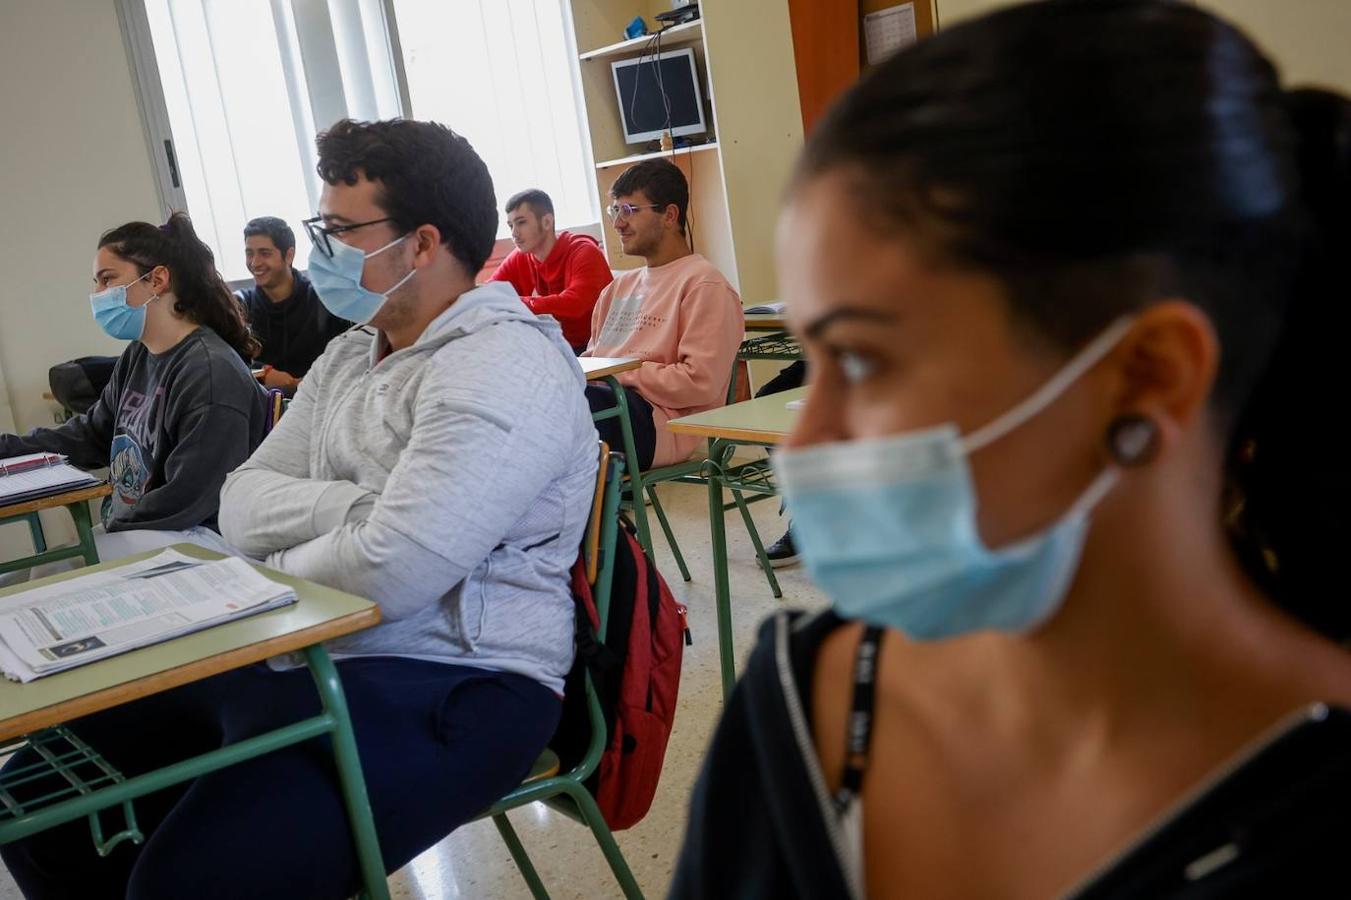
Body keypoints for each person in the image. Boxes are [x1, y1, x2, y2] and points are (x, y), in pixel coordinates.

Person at [671, 1, 1351, 897]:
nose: (805, 438)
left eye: (864, 359)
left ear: (1146, 375)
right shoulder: (794, 714)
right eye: (813, 358)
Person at [0, 119, 598, 899]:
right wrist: (361, 509)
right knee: (35, 806)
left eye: (339, 231)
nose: (321, 250)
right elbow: (241, 502)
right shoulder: (352, 352)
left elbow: (393, 569)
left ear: (421, 243)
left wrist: (281, 564)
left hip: (456, 677)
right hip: (302, 642)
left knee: (188, 885)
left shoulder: (504, 364)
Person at [0, 213, 266, 563]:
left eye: (107, 279)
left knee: (53, 571)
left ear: (157, 280)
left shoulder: (210, 371)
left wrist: (110, 526)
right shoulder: (138, 355)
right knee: (42, 571)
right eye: (96, 283)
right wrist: (8, 449)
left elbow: (190, 495)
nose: (97, 295)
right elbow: (90, 436)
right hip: (148, 527)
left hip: (200, 535)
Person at [582, 159, 743, 470]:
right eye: (615, 211)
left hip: (659, 424)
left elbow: (699, 382)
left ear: (669, 215)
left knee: (569, 407)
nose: (618, 223)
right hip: (610, 403)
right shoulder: (616, 289)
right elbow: (592, 360)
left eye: (629, 210)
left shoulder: (704, 285)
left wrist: (616, 374)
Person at [489, 188, 613, 353]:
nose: (514, 233)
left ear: (547, 222)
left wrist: (513, 303)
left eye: (521, 223)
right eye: (511, 225)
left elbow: (575, 304)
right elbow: (489, 293)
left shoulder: (585, 252)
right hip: (559, 347)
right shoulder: (522, 256)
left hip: (600, 349)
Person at [238, 215, 351, 393]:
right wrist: (263, 373)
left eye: (265, 253)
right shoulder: (241, 307)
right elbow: (231, 363)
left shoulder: (323, 301)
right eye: (249, 253)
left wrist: (302, 385)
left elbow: (348, 360)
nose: (255, 263)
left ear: (289, 255)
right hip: (266, 408)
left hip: (323, 398)